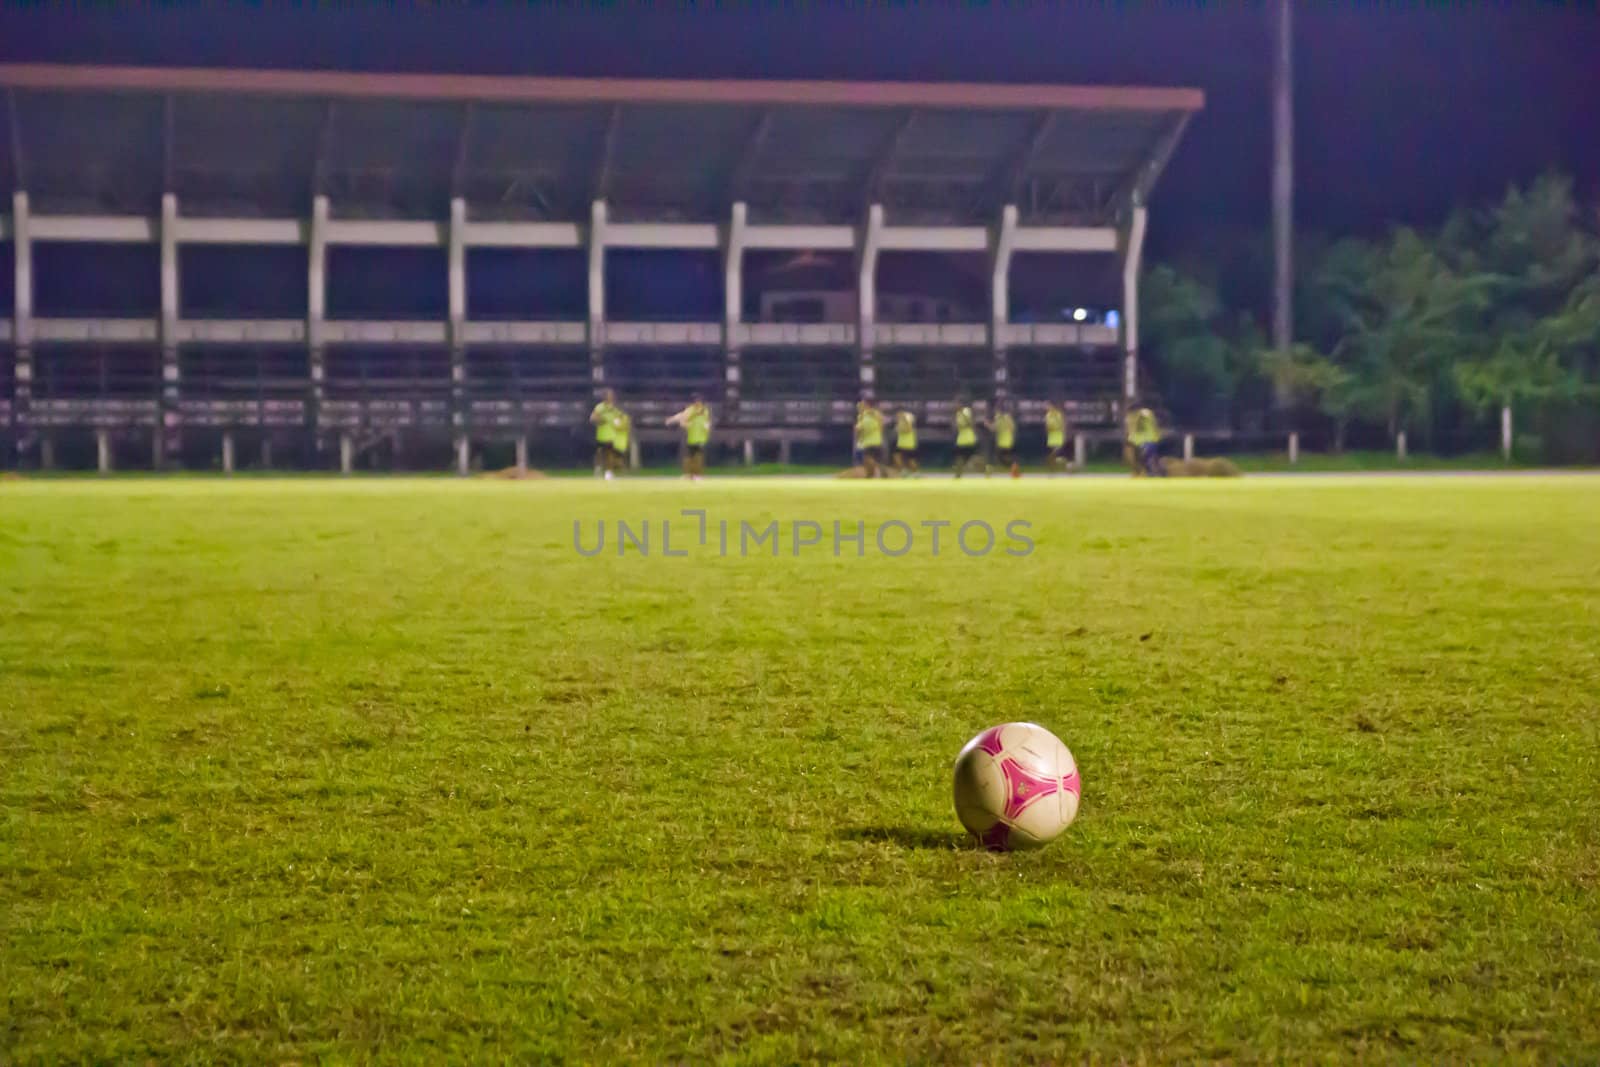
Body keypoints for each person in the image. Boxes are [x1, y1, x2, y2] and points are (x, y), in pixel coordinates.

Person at [667, 394, 712, 480]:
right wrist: (673, 420)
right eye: (696, 401)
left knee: (697, 456)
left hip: (701, 437)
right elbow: (682, 416)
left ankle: (696, 474)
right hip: (692, 437)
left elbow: (707, 422)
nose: (698, 403)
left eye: (699, 402)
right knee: (691, 456)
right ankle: (690, 474)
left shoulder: (704, 411)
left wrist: (707, 427)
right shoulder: (691, 410)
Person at [1125, 401, 1163, 477]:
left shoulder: (1145, 413)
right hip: (1138, 442)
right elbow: (1130, 429)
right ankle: (1140, 472)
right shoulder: (1130, 417)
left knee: (1147, 457)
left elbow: (1151, 422)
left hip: (1148, 441)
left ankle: (1152, 472)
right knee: (1139, 458)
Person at [985, 402, 1020, 478]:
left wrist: (987, 424)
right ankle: (1014, 468)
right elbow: (1013, 428)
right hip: (1009, 440)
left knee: (1000, 457)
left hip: (1001, 442)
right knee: (1006, 456)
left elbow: (994, 428)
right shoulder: (1008, 417)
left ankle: (990, 470)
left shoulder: (998, 418)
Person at [589, 389, 619, 477]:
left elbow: (617, 419)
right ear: (605, 396)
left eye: (612, 395)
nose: (611, 397)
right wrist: (601, 420)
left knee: (610, 454)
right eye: (609, 395)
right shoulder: (600, 407)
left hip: (611, 435)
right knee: (599, 453)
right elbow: (592, 418)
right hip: (601, 435)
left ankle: (608, 472)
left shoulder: (614, 408)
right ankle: (597, 469)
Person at [854, 398, 886, 478]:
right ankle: (870, 475)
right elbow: (859, 429)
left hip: (874, 441)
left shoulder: (874, 413)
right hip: (866, 442)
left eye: (860, 406)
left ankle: (878, 473)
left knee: (869, 459)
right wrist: (859, 437)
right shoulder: (861, 417)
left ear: (867, 406)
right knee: (866, 460)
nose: (859, 408)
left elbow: (881, 423)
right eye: (858, 407)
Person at [952, 398, 978, 478]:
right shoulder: (958, 414)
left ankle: (986, 468)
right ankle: (958, 474)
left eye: (956, 403)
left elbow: (970, 422)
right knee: (959, 457)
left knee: (968, 457)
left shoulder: (966, 411)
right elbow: (958, 425)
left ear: (960, 404)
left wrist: (964, 421)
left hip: (968, 438)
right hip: (961, 439)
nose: (955, 405)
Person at [1044, 399, 1070, 474]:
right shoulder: (1048, 415)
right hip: (1051, 435)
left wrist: (1064, 434)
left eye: (1048, 406)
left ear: (1052, 406)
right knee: (1054, 453)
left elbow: (1063, 425)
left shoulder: (1058, 414)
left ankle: (1064, 465)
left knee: (1056, 452)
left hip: (1058, 434)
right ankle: (1060, 466)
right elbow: (1047, 425)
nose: (1046, 407)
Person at [893, 406, 920, 475]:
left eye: (897, 414)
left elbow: (909, 428)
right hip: (902, 443)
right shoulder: (900, 420)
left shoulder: (908, 417)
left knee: (910, 460)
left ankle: (915, 473)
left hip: (908, 443)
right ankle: (904, 471)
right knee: (898, 457)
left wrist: (900, 429)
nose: (897, 415)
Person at [608, 404, 632, 479]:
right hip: (615, 440)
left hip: (622, 441)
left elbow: (624, 427)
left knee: (618, 458)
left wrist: (617, 426)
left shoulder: (625, 418)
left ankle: (622, 472)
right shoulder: (615, 419)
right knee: (614, 457)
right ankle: (614, 472)